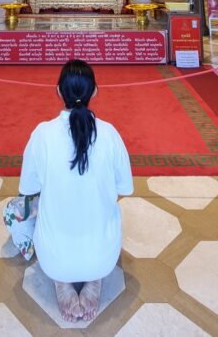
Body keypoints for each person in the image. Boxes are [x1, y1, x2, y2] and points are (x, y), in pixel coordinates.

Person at [19, 60, 133, 322]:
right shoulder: (110, 134)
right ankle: (94, 277)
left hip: (52, 261)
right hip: (104, 258)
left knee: (24, 207)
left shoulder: (42, 134)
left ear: (58, 91)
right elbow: (125, 187)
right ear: (95, 91)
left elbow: (28, 188)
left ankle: (62, 280)